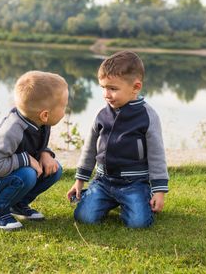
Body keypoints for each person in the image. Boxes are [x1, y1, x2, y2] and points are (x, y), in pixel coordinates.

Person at [67, 50, 169, 228]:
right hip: (103, 182)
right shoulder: (101, 114)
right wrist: (79, 181)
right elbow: (89, 149)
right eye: (103, 87)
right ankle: (95, 196)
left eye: (113, 89)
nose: (106, 94)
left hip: (134, 184)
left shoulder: (147, 116)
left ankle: (138, 201)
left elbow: (157, 155)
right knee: (84, 217)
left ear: (135, 87)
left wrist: (159, 191)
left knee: (138, 224)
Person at [0, 70, 68, 231]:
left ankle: (17, 204)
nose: (65, 110)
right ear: (45, 115)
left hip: (2, 175)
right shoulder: (11, 131)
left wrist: (45, 153)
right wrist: (26, 159)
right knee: (27, 173)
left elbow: (33, 145)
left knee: (54, 169)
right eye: (63, 106)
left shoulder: (40, 123)